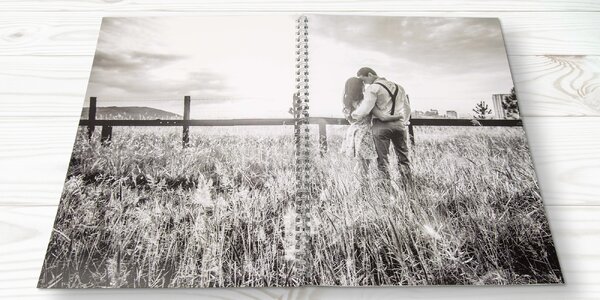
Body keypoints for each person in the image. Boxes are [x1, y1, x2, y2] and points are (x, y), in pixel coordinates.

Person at [351, 67, 412, 184]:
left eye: (363, 80)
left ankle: (386, 186)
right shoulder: (399, 87)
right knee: (404, 157)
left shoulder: (373, 88)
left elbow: (365, 109)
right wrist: (405, 121)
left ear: (370, 74)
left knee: (383, 159)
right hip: (400, 126)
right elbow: (407, 108)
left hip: (381, 126)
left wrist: (354, 114)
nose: (363, 83)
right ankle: (407, 183)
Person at [341, 77, 401, 180]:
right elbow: (382, 116)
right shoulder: (366, 101)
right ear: (360, 87)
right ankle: (360, 187)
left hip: (353, 132)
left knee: (360, 163)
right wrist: (399, 116)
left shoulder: (347, 102)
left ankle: (358, 185)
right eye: (363, 85)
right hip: (364, 133)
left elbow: (350, 119)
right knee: (364, 165)